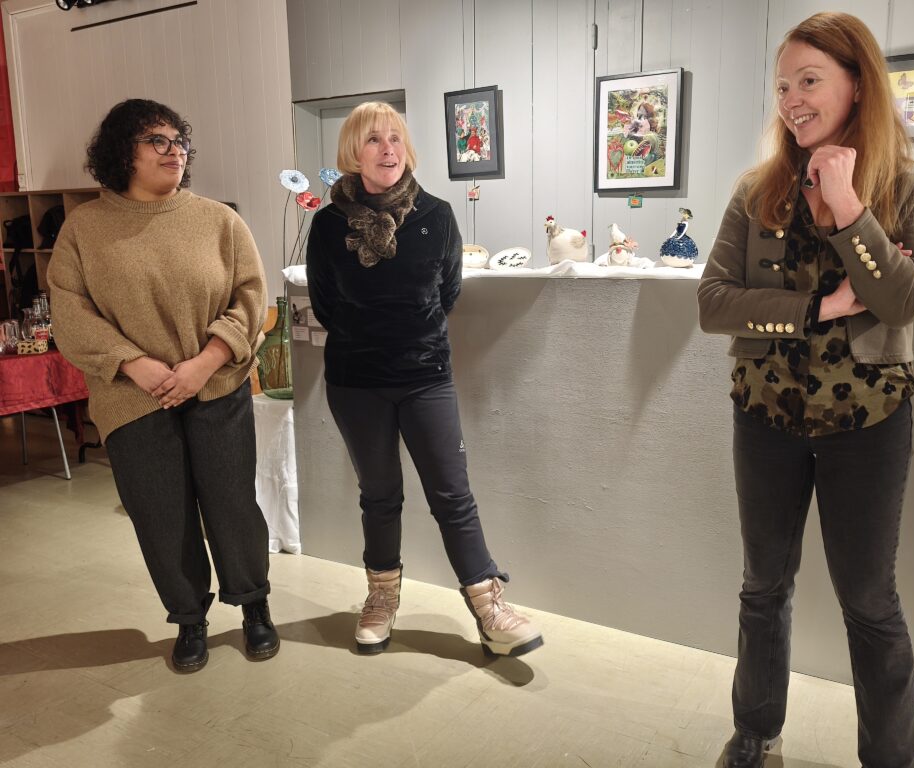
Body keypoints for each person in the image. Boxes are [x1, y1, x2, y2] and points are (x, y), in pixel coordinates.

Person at [697, 13, 914, 768]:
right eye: (783, 85)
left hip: (869, 422)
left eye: (810, 81)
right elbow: (713, 303)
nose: (793, 99)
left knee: (870, 601)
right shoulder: (757, 189)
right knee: (763, 585)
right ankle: (756, 731)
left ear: (857, 84)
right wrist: (821, 309)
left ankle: (894, 760)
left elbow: (905, 303)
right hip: (765, 415)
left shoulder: (912, 187)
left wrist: (848, 208)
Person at [305, 101, 543, 657]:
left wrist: (406, 338)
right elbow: (325, 304)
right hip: (355, 380)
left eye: (395, 138)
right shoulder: (329, 223)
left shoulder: (435, 214)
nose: (387, 149)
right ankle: (381, 599)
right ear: (353, 153)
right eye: (373, 140)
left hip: (424, 376)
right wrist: (373, 339)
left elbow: (448, 293)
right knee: (380, 495)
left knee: (452, 493)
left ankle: (489, 607)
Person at [49, 99, 278, 673]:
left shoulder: (219, 220)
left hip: (216, 387)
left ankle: (254, 606)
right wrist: (133, 363)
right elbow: (70, 313)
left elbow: (251, 297)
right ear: (121, 150)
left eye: (179, 140)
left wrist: (206, 361)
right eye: (156, 140)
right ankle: (189, 619)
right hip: (133, 396)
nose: (173, 150)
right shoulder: (84, 228)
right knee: (160, 514)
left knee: (232, 505)